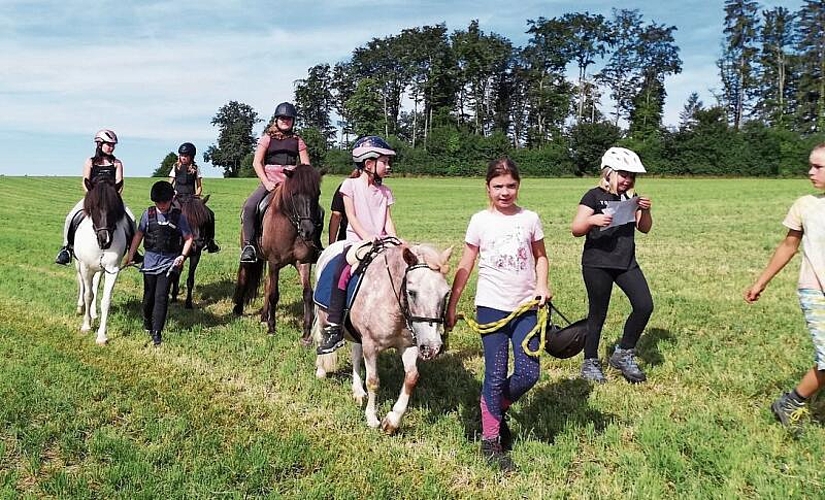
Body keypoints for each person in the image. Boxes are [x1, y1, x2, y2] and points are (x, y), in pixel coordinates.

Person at [445, 158, 550, 472]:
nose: (505, 192)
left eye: (511, 186)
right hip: (491, 306)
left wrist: (542, 285)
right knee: (494, 373)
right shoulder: (480, 221)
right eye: (498, 186)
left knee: (529, 373)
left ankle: (492, 409)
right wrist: (452, 304)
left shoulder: (530, 218)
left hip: (525, 307)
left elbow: (541, 257)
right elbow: (466, 265)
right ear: (487, 188)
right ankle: (491, 440)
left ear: (519, 185)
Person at [745, 143, 825, 432]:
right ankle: (791, 401)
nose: (810, 171)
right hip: (815, 290)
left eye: (818, 167)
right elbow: (788, 246)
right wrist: (760, 282)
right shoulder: (806, 205)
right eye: (811, 165)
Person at [571, 146, 654, 384]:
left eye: (632, 176)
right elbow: (576, 228)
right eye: (623, 174)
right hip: (597, 263)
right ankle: (590, 361)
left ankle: (623, 353)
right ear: (608, 173)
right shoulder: (593, 196)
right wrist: (592, 220)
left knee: (644, 305)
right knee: (598, 314)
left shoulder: (631, 199)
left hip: (626, 262)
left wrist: (645, 211)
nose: (628, 180)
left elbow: (644, 227)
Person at [316, 136, 398, 355]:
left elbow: (388, 220)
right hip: (357, 242)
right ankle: (334, 325)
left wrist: (396, 240)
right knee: (342, 272)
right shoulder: (349, 185)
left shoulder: (386, 192)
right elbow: (350, 216)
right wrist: (367, 237)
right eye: (385, 161)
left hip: (383, 243)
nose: (388, 166)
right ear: (368, 163)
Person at [55, 129, 140, 265]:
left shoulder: (117, 163)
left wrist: (112, 198)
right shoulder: (90, 162)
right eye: (108, 144)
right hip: (93, 199)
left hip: (112, 200)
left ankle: (134, 252)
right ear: (99, 144)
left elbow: (120, 183)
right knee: (70, 217)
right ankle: (66, 249)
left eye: (113, 145)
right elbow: (85, 181)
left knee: (132, 218)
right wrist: (92, 196)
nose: (111, 147)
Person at [125, 181, 194, 347]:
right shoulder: (147, 215)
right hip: (149, 262)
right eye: (158, 202)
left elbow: (188, 238)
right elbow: (138, 235)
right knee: (148, 297)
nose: (162, 205)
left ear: (171, 199)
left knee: (161, 297)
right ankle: (147, 321)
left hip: (168, 263)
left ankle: (157, 332)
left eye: (165, 202)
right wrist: (131, 255)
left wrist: (182, 256)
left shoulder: (179, 217)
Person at [239, 102, 310, 263]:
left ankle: (313, 244)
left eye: (289, 118)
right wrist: (266, 182)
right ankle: (249, 246)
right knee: (250, 207)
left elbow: (306, 165)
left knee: (316, 209)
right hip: (270, 182)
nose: (286, 121)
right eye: (282, 118)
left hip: (291, 185)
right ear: (276, 119)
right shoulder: (267, 138)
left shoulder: (298, 141)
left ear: (293, 121)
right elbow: (257, 163)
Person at [167, 142, 220, 253]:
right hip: (177, 197)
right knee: (169, 212)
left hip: (191, 198)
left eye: (186, 156)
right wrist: (171, 192)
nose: (183, 158)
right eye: (181, 155)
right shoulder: (175, 167)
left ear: (191, 157)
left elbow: (199, 186)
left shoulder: (196, 168)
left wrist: (197, 195)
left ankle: (210, 241)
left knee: (210, 213)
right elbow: (170, 183)